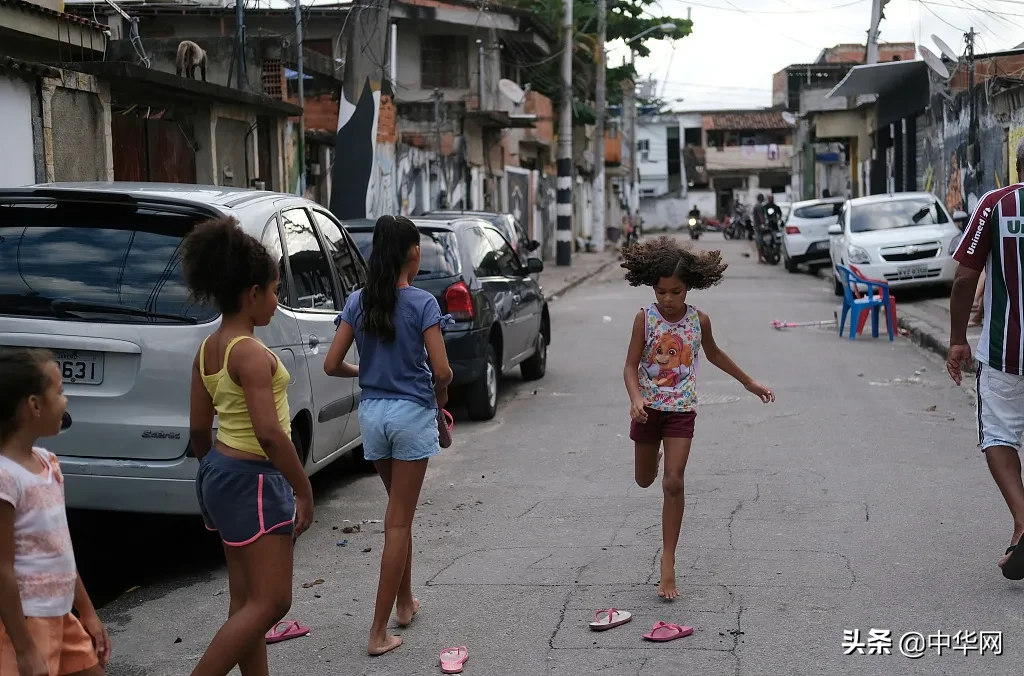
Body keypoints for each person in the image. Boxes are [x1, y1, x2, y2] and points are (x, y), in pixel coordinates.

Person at [182, 217, 314, 676]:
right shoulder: (251, 354)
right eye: (275, 291)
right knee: (274, 600)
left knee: (245, 600)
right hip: (255, 479)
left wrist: (211, 473)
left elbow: (199, 428)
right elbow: (271, 434)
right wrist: (303, 489)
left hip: (220, 471)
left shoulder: (207, 349)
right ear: (251, 293)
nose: (277, 303)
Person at [325, 215, 453, 656]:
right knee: (397, 521)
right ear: (413, 253)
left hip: (373, 416)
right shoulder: (422, 303)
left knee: (400, 513)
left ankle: (405, 603)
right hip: (410, 415)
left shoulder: (359, 300)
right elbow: (441, 371)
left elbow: (331, 364)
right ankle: (378, 632)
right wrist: (442, 394)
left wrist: (368, 371)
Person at [621, 237, 775, 599]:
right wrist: (635, 397)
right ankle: (652, 457)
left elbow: (715, 354)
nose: (668, 300)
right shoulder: (644, 319)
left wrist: (749, 382)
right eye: (661, 292)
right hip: (648, 411)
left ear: (689, 287)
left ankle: (668, 562)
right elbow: (629, 366)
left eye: (675, 291)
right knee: (645, 480)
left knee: (673, 482)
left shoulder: (698, 320)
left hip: (681, 412)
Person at [0, 349, 111, 676]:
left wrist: (87, 612)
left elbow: (59, 547)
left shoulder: (48, 463)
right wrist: (24, 649)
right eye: (59, 392)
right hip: (28, 624)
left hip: (62, 616)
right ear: (34, 406)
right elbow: (2, 568)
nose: (66, 400)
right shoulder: (6, 478)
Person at [947, 142, 1024, 579]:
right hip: (1003, 354)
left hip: (1004, 352)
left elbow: (964, 280)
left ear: (1017, 166)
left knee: (998, 435)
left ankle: (1022, 520)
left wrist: (958, 338)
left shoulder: (996, 204)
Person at [752, 194, 767, 263]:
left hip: (756, 226)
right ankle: (760, 258)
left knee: (758, 242)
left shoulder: (756, 206)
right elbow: (761, 216)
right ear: (762, 198)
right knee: (760, 242)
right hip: (759, 227)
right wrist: (763, 224)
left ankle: (760, 257)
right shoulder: (760, 206)